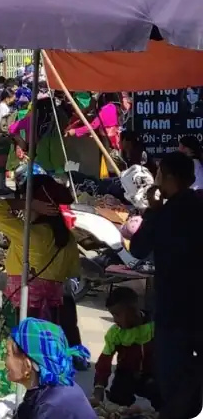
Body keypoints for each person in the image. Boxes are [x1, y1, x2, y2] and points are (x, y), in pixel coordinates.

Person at [0, 175, 80, 397]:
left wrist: (26, 204)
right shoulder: (68, 239)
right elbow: (72, 272)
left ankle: (13, 404)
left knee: (13, 358)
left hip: (21, 309)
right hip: (50, 316)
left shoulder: (30, 235)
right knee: (40, 362)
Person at [129, 151, 203, 419]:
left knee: (172, 373)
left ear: (168, 177)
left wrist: (152, 211)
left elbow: (137, 249)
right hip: (196, 304)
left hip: (174, 307)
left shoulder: (165, 213)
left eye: (159, 173)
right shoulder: (198, 206)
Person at [6, 318, 96, 419]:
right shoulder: (41, 391)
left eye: (8, 354)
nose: (5, 362)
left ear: (27, 365)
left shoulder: (53, 405)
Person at [93, 286, 158, 409]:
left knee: (163, 396)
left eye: (117, 315)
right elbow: (104, 362)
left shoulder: (155, 327)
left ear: (133, 309)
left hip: (152, 375)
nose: (114, 320)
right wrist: (99, 387)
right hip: (126, 375)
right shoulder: (115, 333)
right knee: (117, 398)